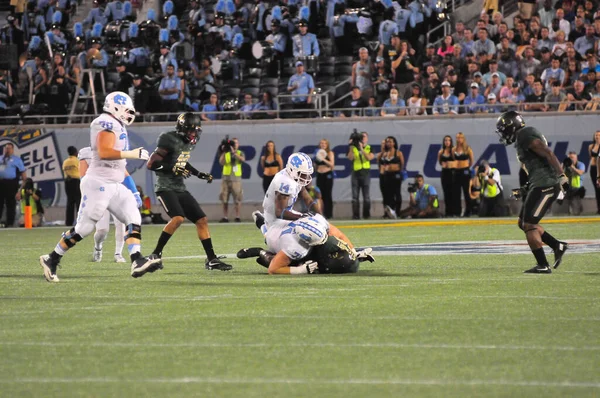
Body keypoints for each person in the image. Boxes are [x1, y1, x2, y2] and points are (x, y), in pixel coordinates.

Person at [39, 92, 161, 283]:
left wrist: (134, 190)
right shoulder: (104, 122)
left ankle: (136, 260)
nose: (129, 114)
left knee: (133, 216)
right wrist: (131, 154)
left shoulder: (117, 124)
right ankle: (51, 258)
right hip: (98, 183)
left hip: (114, 184)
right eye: (126, 110)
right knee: (85, 228)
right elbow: (104, 152)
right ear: (116, 107)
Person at [147, 113, 232, 271]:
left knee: (202, 220)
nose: (194, 134)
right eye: (191, 130)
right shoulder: (168, 138)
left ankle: (212, 259)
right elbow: (151, 164)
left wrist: (199, 173)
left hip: (179, 187)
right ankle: (155, 255)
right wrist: (172, 168)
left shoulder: (188, 143)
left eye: (196, 131)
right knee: (178, 218)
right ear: (182, 129)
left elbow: (182, 162)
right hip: (165, 187)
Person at [496, 110, 569, 274]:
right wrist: (523, 190)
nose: (503, 134)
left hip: (547, 185)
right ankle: (557, 245)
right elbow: (537, 169)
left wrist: (561, 175)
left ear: (511, 126)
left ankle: (543, 264)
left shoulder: (524, 134)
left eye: (504, 129)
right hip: (540, 184)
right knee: (523, 223)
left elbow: (548, 153)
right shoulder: (522, 137)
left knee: (529, 224)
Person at [237, 214, 374, 275]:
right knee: (268, 237)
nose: (325, 241)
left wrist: (353, 252)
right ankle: (260, 249)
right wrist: (301, 270)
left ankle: (262, 221)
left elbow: (340, 236)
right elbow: (273, 269)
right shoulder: (293, 245)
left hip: (291, 226)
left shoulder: (318, 221)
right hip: (277, 237)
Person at [78, 146, 138, 263]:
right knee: (102, 230)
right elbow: (83, 178)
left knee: (121, 224)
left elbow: (125, 174)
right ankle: (98, 247)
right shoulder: (87, 153)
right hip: (98, 193)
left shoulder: (114, 152)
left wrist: (135, 192)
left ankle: (118, 254)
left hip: (116, 191)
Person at [347, 131, 374, 219]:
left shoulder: (369, 147)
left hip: (365, 173)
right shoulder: (353, 148)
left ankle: (366, 215)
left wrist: (362, 149)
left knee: (366, 197)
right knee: (355, 197)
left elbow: (369, 158)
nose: (363, 138)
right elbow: (350, 158)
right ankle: (356, 215)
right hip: (356, 173)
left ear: (367, 138)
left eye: (364, 137)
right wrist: (351, 147)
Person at [0, 142, 27, 228]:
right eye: (6, 148)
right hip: (1, 183)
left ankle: (10, 223)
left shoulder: (17, 160)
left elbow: (24, 176)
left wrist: (20, 190)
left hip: (11, 183)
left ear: (12, 149)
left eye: (9, 148)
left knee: (10, 204)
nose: (7, 150)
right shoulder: (0, 158)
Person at [219, 137, 245, 222]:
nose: (234, 145)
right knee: (224, 198)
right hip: (226, 179)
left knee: (237, 199)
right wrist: (224, 151)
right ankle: (225, 217)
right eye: (233, 143)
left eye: (236, 143)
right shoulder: (226, 153)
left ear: (238, 145)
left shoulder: (240, 153)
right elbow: (221, 162)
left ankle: (237, 216)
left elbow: (242, 160)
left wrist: (234, 153)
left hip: (236, 179)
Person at [377, 136, 404, 219]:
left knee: (397, 194)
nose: (388, 143)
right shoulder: (383, 154)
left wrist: (397, 170)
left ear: (394, 143)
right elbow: (379, 164)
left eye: (390, 141)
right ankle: (389, 212)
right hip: (386, 175)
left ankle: (398, 212)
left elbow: (402, 164)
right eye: (387, 142)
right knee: (388, 195)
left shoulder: (398, 153)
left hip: (396, 175)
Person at [453, 132, 475, 217]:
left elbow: (471, 160)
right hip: (456, 171)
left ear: (463, 139)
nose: (459, 140)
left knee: (466, 192)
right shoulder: (454, 149)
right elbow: (454, 159)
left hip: (465, 171)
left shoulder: (467, 149)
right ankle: (457, 211)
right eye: (457, 138)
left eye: (460, 138)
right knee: (456, 193)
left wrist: (466, 167)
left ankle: (468, 211)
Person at [314, 139, 335, 219]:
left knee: (328, 195)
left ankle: (329, 214)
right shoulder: (317, 153)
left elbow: (332, 165)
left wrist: (323, 159)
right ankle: (320, 213)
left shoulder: (330, 153)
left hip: (327, 175)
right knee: (319, 195)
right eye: (321, 143)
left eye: (324, 143)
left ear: (327, 144)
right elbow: (316, 166)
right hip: (320, 174)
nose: (323, 145)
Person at [438, 135, 458, 217]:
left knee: (453, 192)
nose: (447, 142)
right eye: (445, 140)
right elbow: (440, 162)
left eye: (448, 140)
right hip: (444, 173)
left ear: (451, 142)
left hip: (452, 173)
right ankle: (448, 212)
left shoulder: (453, 151)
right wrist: (444, 164)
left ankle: (454, 212)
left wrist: (451, 164)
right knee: (446, 193)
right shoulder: (441, 152)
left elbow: (457, 161)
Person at [62, 146, 80, 226]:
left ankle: (68, 222)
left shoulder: (65, 162)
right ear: (75, 152)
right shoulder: (77, 161)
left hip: (67, 182)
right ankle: (80, 221)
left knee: (70, 202)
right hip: (76, 181)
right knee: (78, 201)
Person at [588, 130, 600, 213]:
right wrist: (598, 144)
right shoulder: (591, 146)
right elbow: (592, 156)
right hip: (594, 168)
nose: (597, 136)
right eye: (596, 135)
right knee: (597, 189)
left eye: (599, 135)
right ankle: (599, 208)